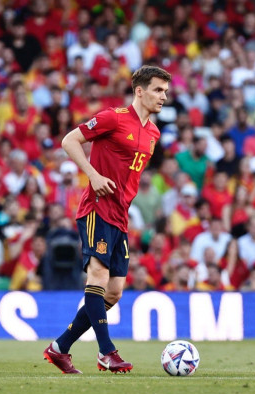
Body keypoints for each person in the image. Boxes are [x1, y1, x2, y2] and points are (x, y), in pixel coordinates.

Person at [43, 65, 170, 374]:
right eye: (158, 90)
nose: (163, 97)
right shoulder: (113, 118)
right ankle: (106, 352)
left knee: (112, 293)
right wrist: (93, 175)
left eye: (165, 91)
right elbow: (69, 141)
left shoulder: (153, 133)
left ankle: (59, 348)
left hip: (120, 217)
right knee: (97, 277)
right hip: (96, 209)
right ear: (139, 91)